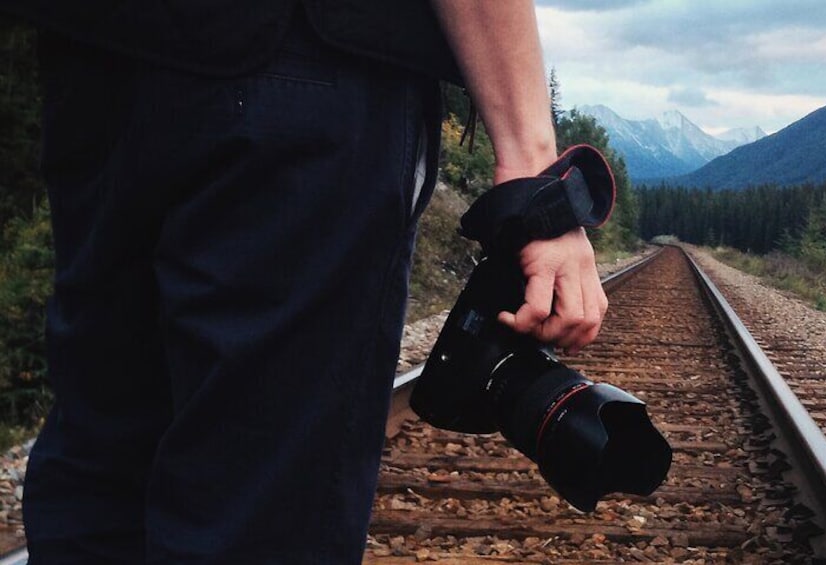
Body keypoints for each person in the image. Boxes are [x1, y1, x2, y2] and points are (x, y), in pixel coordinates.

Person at [0, 1, 607, 562]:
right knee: (260, 513)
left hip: (96, 62)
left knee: (102, 461)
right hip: (304, 66)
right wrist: (535, 178)